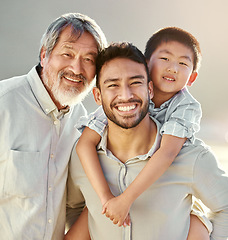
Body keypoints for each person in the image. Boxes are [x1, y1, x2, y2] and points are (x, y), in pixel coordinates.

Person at [66, 42, 228, 239]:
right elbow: (73, 209)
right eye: (113, 85)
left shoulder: (190, 156)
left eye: (135, 83)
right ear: (98, 96)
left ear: (150, 89)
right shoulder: (82, 156)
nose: (126, 95)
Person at [0, 13, 107, 240]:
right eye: (67, 54)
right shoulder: (4, 103)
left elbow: (73, 205)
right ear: (44, 54)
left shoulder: (80, 119)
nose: (77, 69)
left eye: (89, 59)